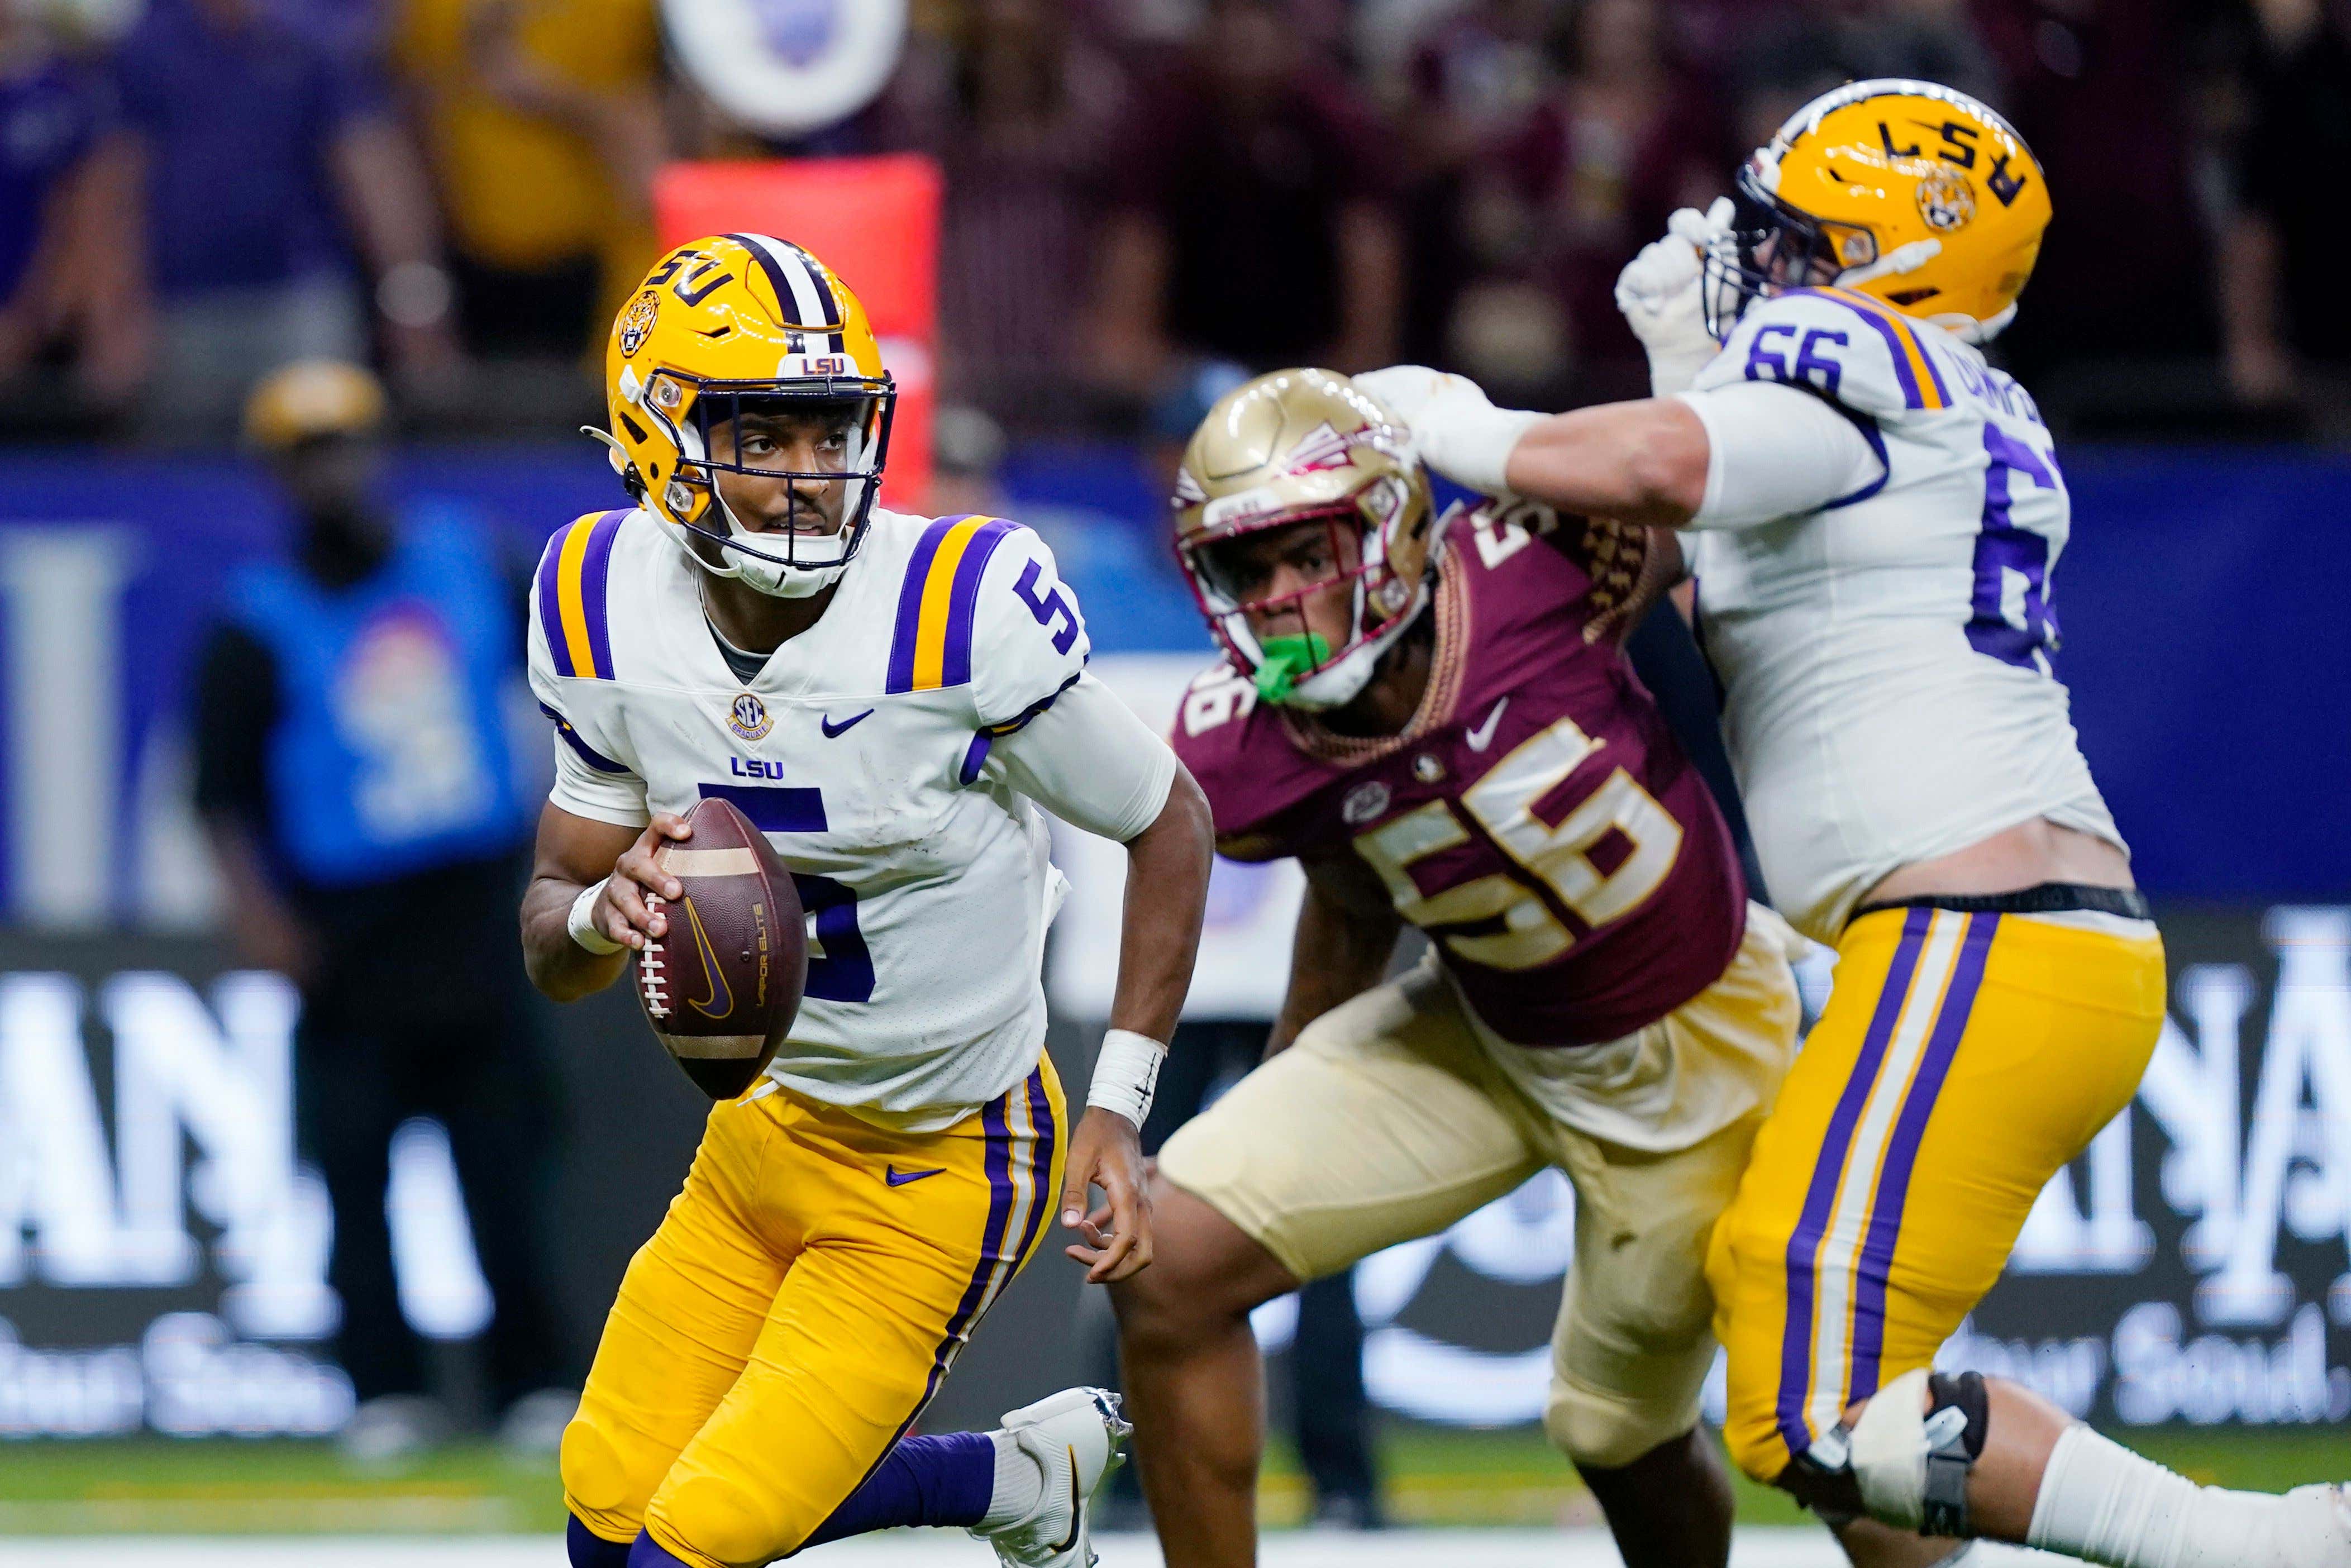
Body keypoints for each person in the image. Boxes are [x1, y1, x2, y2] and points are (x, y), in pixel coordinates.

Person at [1363, 78, 2351, 1568]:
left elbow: (1654, 469)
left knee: (1810, 1408)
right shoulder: (1937, 400)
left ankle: (2260, 1549)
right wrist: (1682, 359)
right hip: (1994, 946)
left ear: (1884, 258)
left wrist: (1460, 422)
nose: (1763, 266)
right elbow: (1748, 614)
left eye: (1795, 239)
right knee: (1846, 1411)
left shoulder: (1866, 362)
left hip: (1979, 942)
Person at [521, 235, 1215, 1568]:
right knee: (603, 1533)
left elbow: (1166, 817)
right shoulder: (597, 598)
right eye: (761, 436)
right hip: (761, 1133)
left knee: (693, 1546)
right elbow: (553, 919)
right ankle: (1011, 1481)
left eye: (826, 432)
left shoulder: (953, 609)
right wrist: (609, 915)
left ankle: (991, 1478)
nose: (804, 476)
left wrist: (1122, 1108)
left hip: (945, 1156)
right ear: (661, 439)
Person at [1113, 366, 1804, 1568]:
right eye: (1244, 570)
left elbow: (1718, 523)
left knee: (1640, 1436)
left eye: (1303, 553)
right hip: (1478, 1029)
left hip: (1694, 1038)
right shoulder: (1235, 742)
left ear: (1386, 528)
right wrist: (1291, 1071)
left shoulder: (1540, 560)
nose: (1275, 601)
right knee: (1169, 1262)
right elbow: (1343, 875)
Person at [192, 360, 573, 1460]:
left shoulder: (466, 558)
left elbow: (571, 685)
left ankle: (529, 1381)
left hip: (474, 901)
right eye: (307, 454)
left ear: (378, 449)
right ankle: (384, 1389)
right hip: (345, 928)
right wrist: (260, 920)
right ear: (277, 474)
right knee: (355, 1172)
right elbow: (218, 792)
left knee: (503, 1163)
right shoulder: (255, 620)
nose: (332, 473)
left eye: (346, 445)